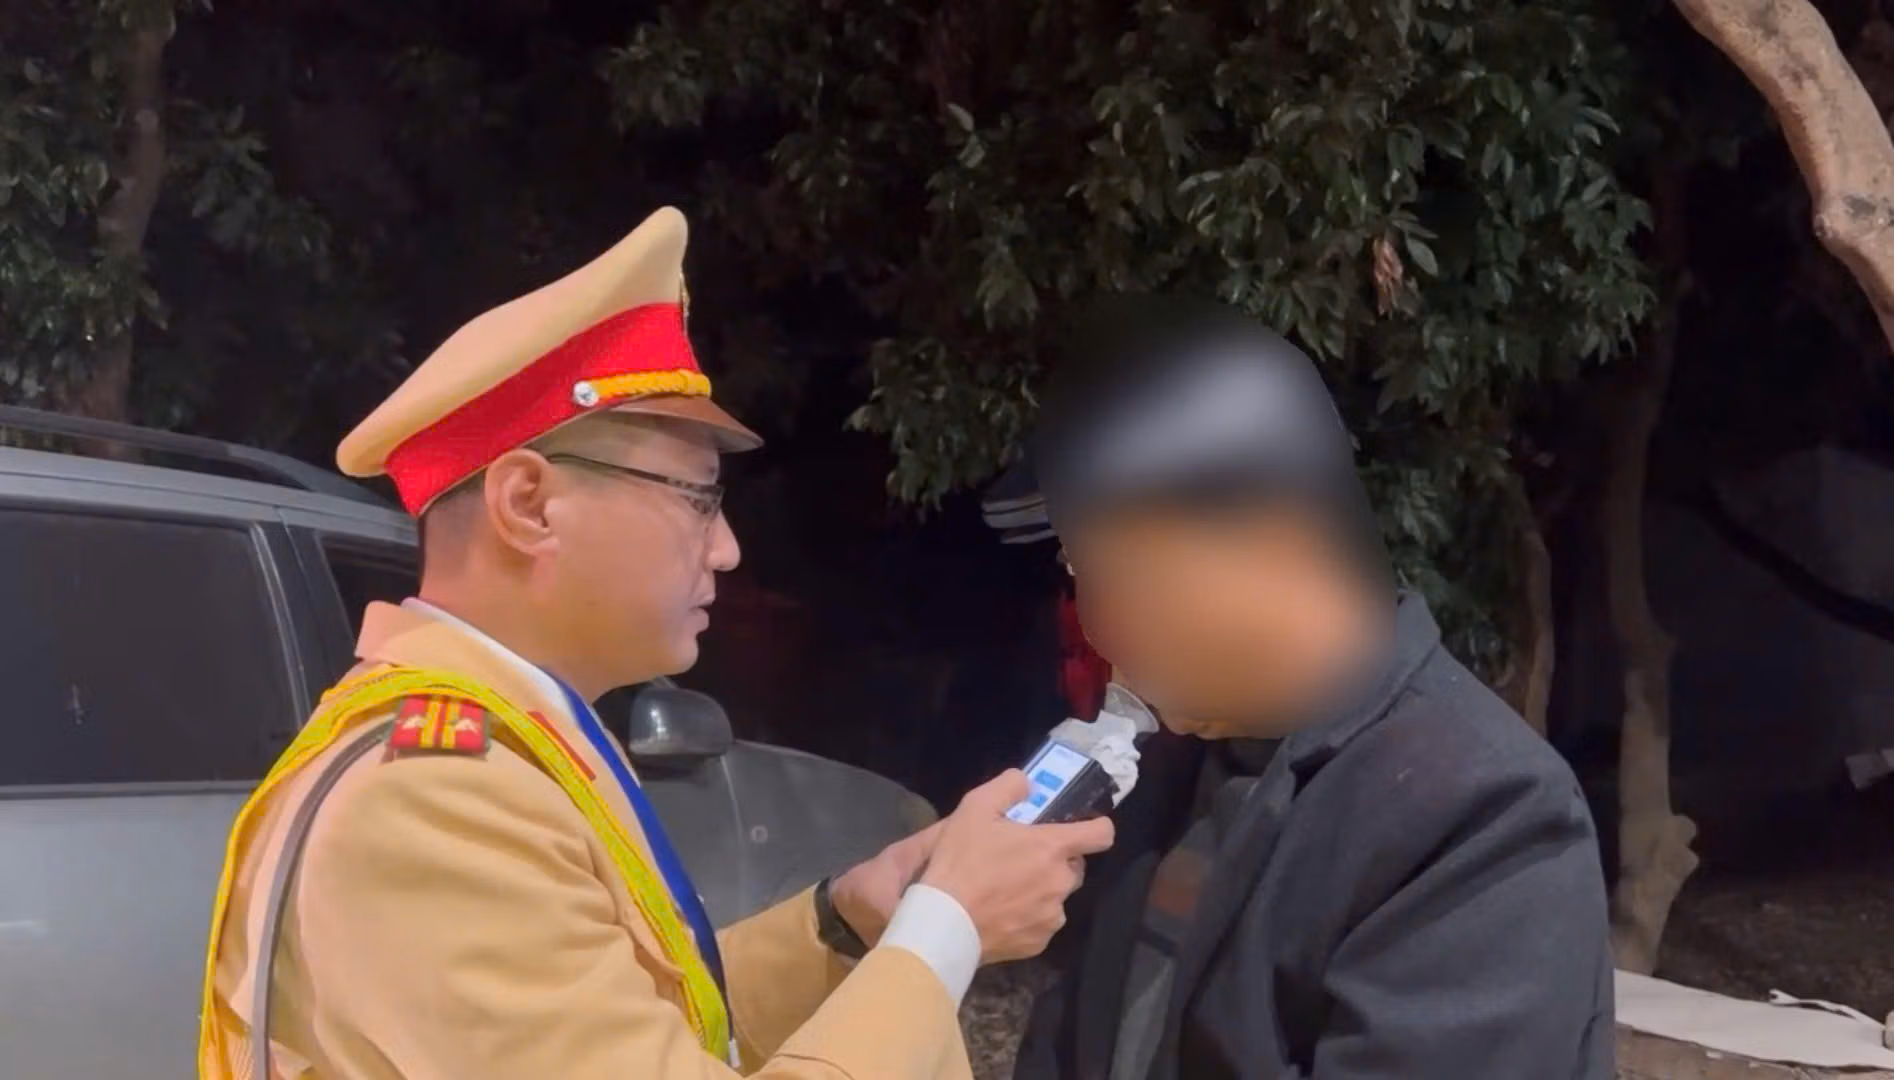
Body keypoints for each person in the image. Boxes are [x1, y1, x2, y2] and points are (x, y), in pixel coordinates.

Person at [198, 207, 1113, 1079]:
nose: (728, 548)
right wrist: (946, 929)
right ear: (529, 504)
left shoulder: (513, 750)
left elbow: (643, 1027)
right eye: (697, 499)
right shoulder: (434, 802)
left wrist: (843, 923)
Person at [1008, 295, 1614, 1080]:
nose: (1100, 626)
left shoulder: (1483, 817)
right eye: (1077, 572)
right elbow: (1064, 1040)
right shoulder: (1170, 766)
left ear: (1280, 547)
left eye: (1124, 576)